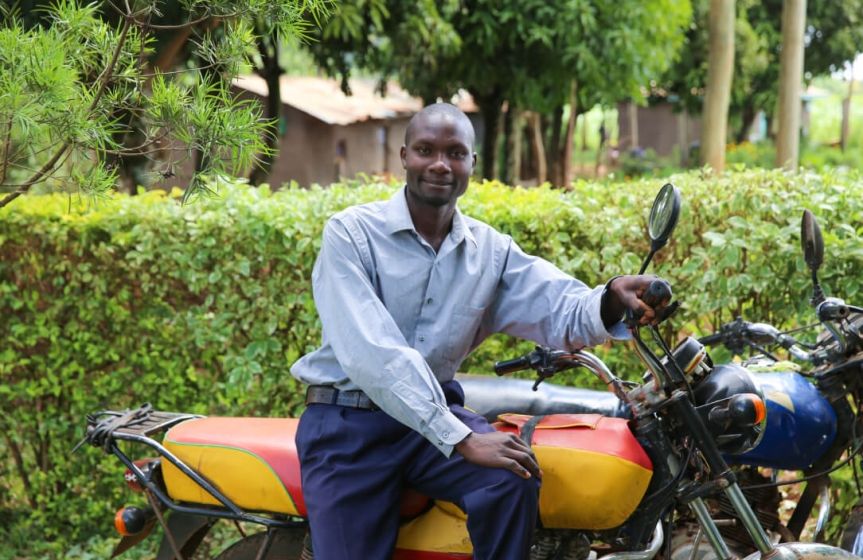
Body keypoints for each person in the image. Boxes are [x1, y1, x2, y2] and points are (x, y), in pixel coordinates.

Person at [291, 103, 670, 559]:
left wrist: (610, 298)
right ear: (404, 156)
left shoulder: (489, 251)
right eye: (426, 150)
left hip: (430, 425)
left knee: (512, 476)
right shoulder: (351, 235)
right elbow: (375, 356)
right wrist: (464, 438)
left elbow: (556, 306)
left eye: (455, 153)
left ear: (473, 163)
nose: (439, 164)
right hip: (347, 425)